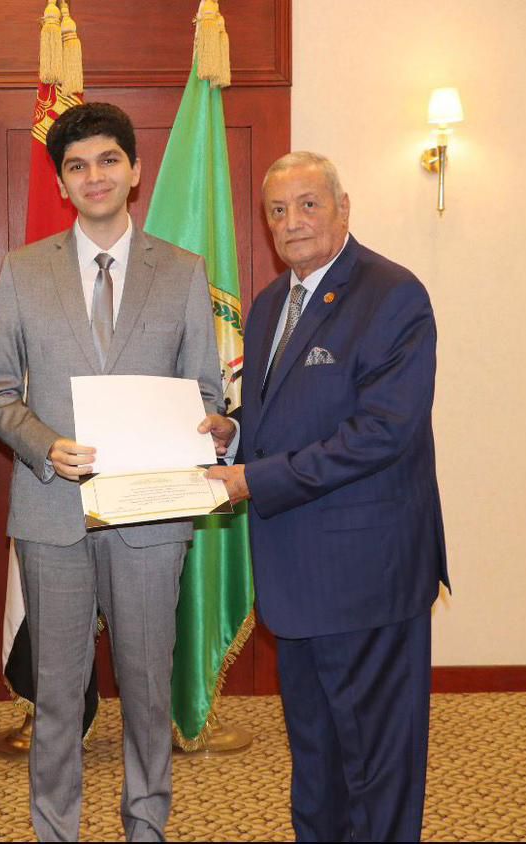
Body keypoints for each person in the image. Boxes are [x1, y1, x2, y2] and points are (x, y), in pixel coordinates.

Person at [0, 102, 225, 842]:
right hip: (52, 511)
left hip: (151, 516)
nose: (95, 176)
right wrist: (44, 444)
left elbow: (205, 392)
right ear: (61, 182)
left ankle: (146, 826)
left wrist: (211, 427)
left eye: (109, 160)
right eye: (78, 165)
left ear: (135, 171)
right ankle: (56, 831)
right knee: (57, 695)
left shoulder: (182, 272)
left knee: (147, 691)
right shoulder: (23, 271)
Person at [206, 152, 450, 842]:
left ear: (344, 208)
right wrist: (235, 434)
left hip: (367, 577)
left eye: (309, 204)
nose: (293, 222)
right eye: (278, 210)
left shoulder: (392, 294)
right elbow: (284, 415)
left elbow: (383, 433)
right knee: (316, 758)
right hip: (296, 578)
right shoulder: (268, 306)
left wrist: (255, 480)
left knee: (376, 765)